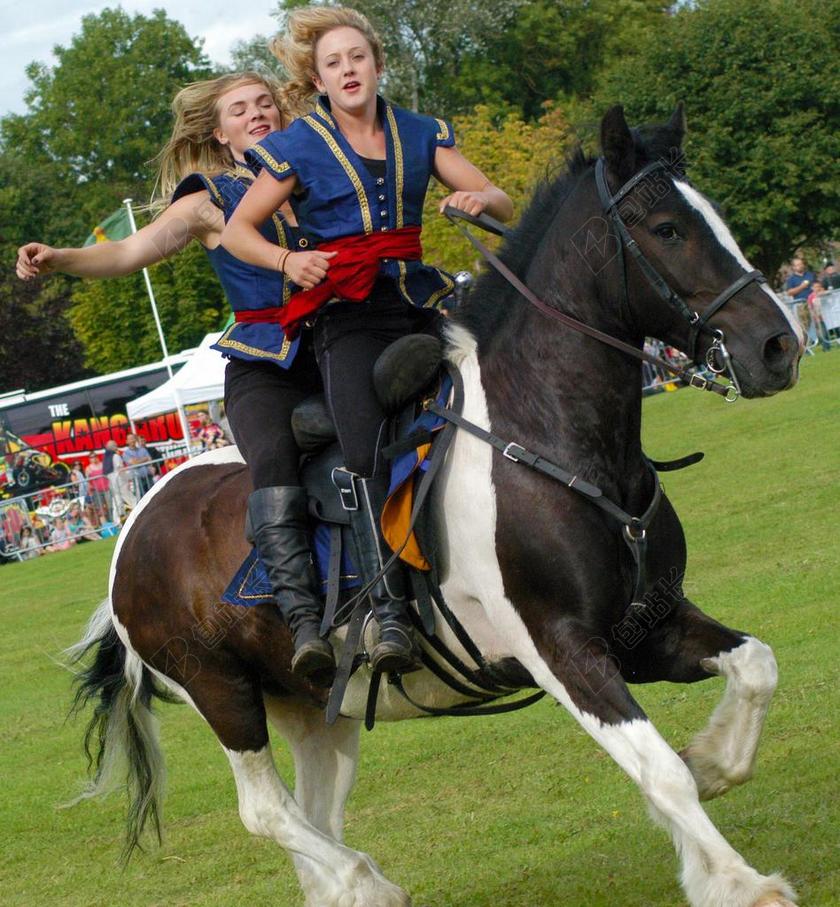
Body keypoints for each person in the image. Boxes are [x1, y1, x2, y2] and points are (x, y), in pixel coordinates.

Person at [16, 72, 335, 684]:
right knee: (273, 458)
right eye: (240, 109)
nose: (257, 113)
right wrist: (61, 259)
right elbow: (128, 253)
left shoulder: (316, 170)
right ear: (219, 132)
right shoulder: (206, 198)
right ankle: (302, 617)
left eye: (265, 102)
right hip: (267, 362)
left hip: (340, 338)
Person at [222, 6, 513, 673]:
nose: (348, 69)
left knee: (497, 389)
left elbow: (495, 197)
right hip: (345, 317)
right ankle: (389, 613)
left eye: (358, 57)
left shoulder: (419, 131)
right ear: (319, 81)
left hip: (417, 302)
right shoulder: (296, 146)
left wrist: (480, 201)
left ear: (379, 64)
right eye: (333, 63)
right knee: (364, 451)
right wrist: (287, 263)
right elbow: (240, 231)